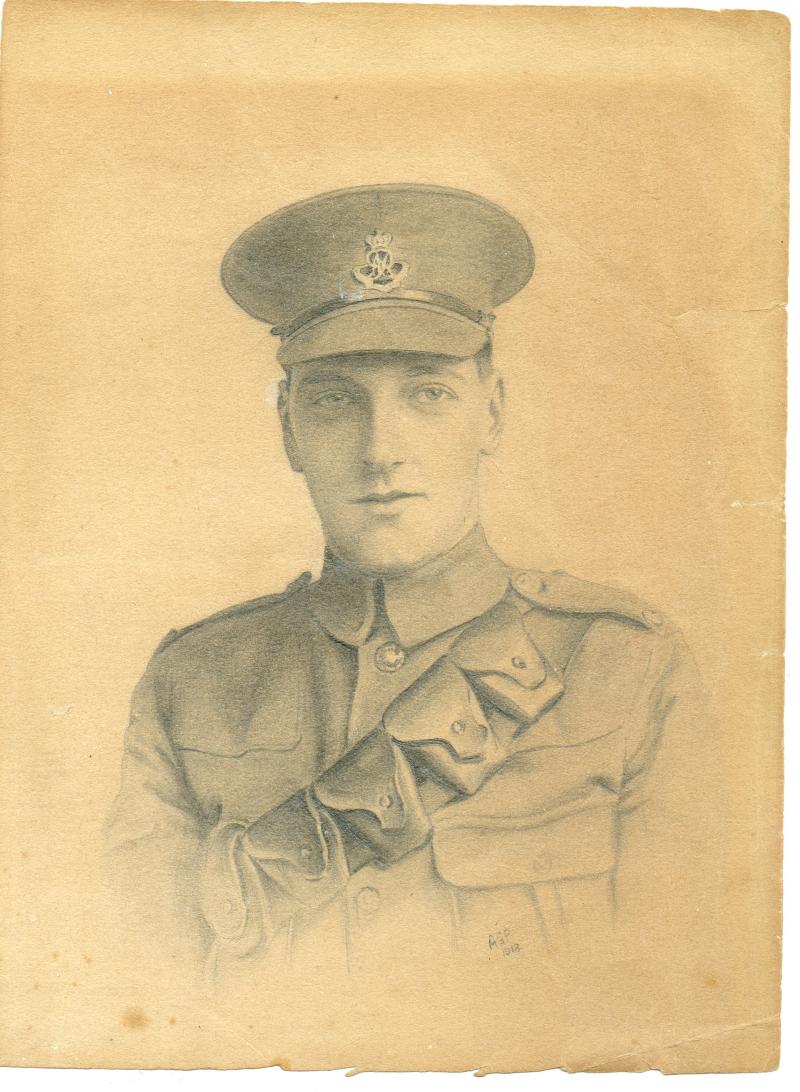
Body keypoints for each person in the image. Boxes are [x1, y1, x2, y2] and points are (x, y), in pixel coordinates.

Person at [106, 184, 709, 991]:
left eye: (428, 395)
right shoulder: (191, 684)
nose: (380, 448)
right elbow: (133, 995)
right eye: (334, 402)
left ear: (491, 414)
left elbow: (681, 997)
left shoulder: (626, 669)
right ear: (288, 430)